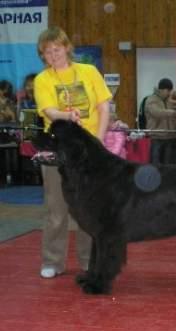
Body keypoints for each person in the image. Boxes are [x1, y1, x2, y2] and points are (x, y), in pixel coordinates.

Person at [34, 26, 112, 278]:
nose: (53, 55)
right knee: (56, 210)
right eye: (47, 52)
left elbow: (103, 107)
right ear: (43, 56)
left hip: (90, 154)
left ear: (67, 48)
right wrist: (67, 115)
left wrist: (97, 142)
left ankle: (89, 260)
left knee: (88, 209)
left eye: (57, 49)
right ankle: (52, 262)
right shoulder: (42, 80)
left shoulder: (89, 72)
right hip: (59, 154)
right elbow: (49, 112)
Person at [145, 78, 176, 164]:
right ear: (162, 90)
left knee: (168, 165)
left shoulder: (169, 100)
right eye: (168, 91)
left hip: (170, 136)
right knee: (156, 164)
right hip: (157, 136)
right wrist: (174, 113)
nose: (169, 93)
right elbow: (157, 112)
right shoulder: (151, 100)